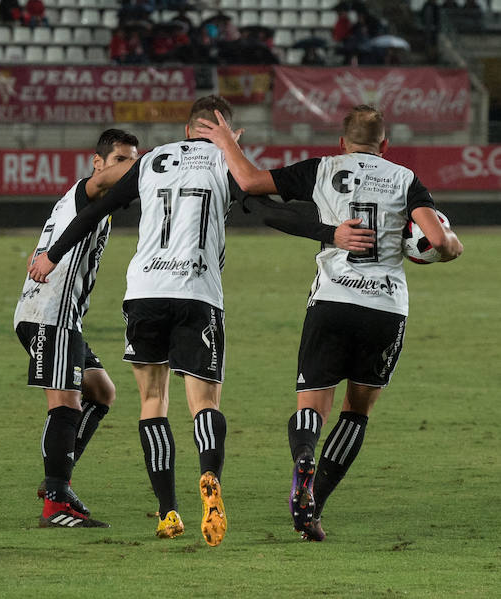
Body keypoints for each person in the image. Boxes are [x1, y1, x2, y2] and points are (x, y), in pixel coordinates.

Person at [28, 95, 373, 545]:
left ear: (187, 128)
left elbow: (96, 208)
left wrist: (52, 255)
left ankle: (169, 511)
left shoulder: (152, 160)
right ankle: (209, 478)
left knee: (152, 403)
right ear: (227, 131)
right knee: (204, 404)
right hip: (196, 293)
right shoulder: (227, 162)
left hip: (145, 293)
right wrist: (330, 232)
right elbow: (269, 211)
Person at [197, 104, 463, 541]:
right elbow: (436, 241)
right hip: (386, 309)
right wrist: (452, 245)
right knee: (355, 412)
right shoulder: (404, 179)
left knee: (311, 407)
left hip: (332, 300)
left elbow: (248, 181)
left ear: (342, 142)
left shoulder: (323, 168)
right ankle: (313, 506)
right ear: (386, 144)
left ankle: (304, 456)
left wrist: (227, 142)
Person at [16, 129, 139, 528]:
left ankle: (58, 478)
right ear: (97, 163)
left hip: (63, 316)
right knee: (65, 403)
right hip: (48, 313)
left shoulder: (96, 204)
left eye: (131, 159)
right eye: (121, 159)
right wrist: (166, 159)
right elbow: (110, 180)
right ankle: (54, 504)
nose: (126, 167)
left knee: (101, 391)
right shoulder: (88, 190)